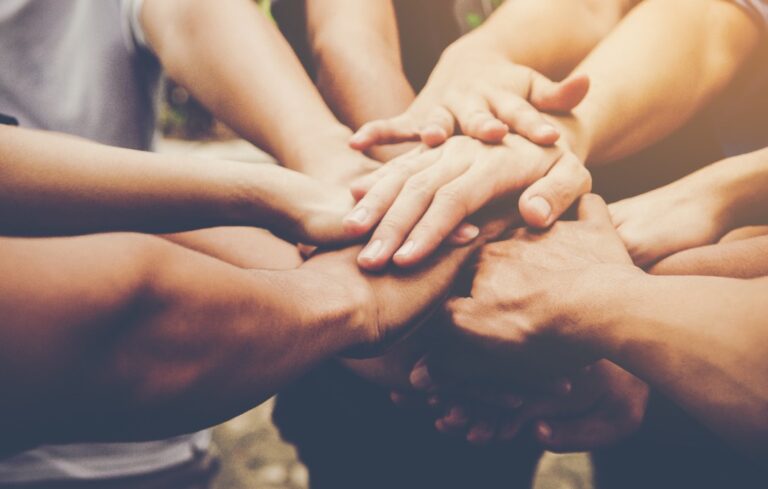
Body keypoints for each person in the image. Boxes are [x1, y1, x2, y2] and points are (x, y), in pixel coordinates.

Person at [273, 0, 768, 488]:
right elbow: (349, 40)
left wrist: (617, 300)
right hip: (508, 205)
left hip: (611, 202)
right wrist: (459, 174)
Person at [0, 0, 374, 485]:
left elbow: (192, 11)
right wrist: (357, 299)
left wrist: (325, 157)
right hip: (121, 364)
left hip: (141, 428)